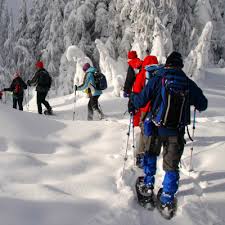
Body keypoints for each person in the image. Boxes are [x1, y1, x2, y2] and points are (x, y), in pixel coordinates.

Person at [128, 52, 208, 215]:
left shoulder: (158, 78)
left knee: (150, 155)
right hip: (176, 132)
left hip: (156, 128)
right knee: (171, 166)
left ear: (167, 64)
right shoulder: (187, 82)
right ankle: (166, 198)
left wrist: (132, 100)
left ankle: (148, 186)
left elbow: (141, 100)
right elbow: (203, 104)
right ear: (180, 66)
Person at [132, 55, 159, 168]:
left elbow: (136, 90)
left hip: (145, 108)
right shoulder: (159, 74)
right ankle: (151, 153)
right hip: (157, 108)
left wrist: (134, 103)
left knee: (144, 131)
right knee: (155, 132)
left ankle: (141, 155)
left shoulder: (142, 73)